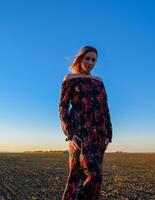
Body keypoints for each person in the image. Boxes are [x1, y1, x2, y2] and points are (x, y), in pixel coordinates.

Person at [59, 45, 112, 200]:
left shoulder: (99, 81)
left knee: (96, 177)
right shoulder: (69, 79)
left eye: (94, 60)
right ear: (81, 58)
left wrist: (109, 134)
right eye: (87, 58)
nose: (90, 62)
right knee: (76, 176)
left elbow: (105, 107)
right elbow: (62, 108)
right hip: (79, 133)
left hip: (98, 134)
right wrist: (69, 134)